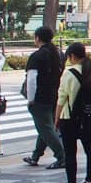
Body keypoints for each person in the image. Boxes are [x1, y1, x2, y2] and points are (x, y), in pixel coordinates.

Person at [56, 42, 91, 183]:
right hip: (89, 118)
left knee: (70, 152)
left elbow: (61, 99)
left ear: (72, 56)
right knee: (90, 149)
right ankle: (89, 181)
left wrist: (56, 119)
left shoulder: (69, 73)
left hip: (70, 118)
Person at [22, 26, 65, 170]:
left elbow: (32, 79)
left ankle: (62, 156)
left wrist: (31, 99)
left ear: (37, 38)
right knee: (46, 127)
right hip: (54, 94)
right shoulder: (58, 53)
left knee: (46, 128)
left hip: (40, 97)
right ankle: (35, 156)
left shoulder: (37, 56)